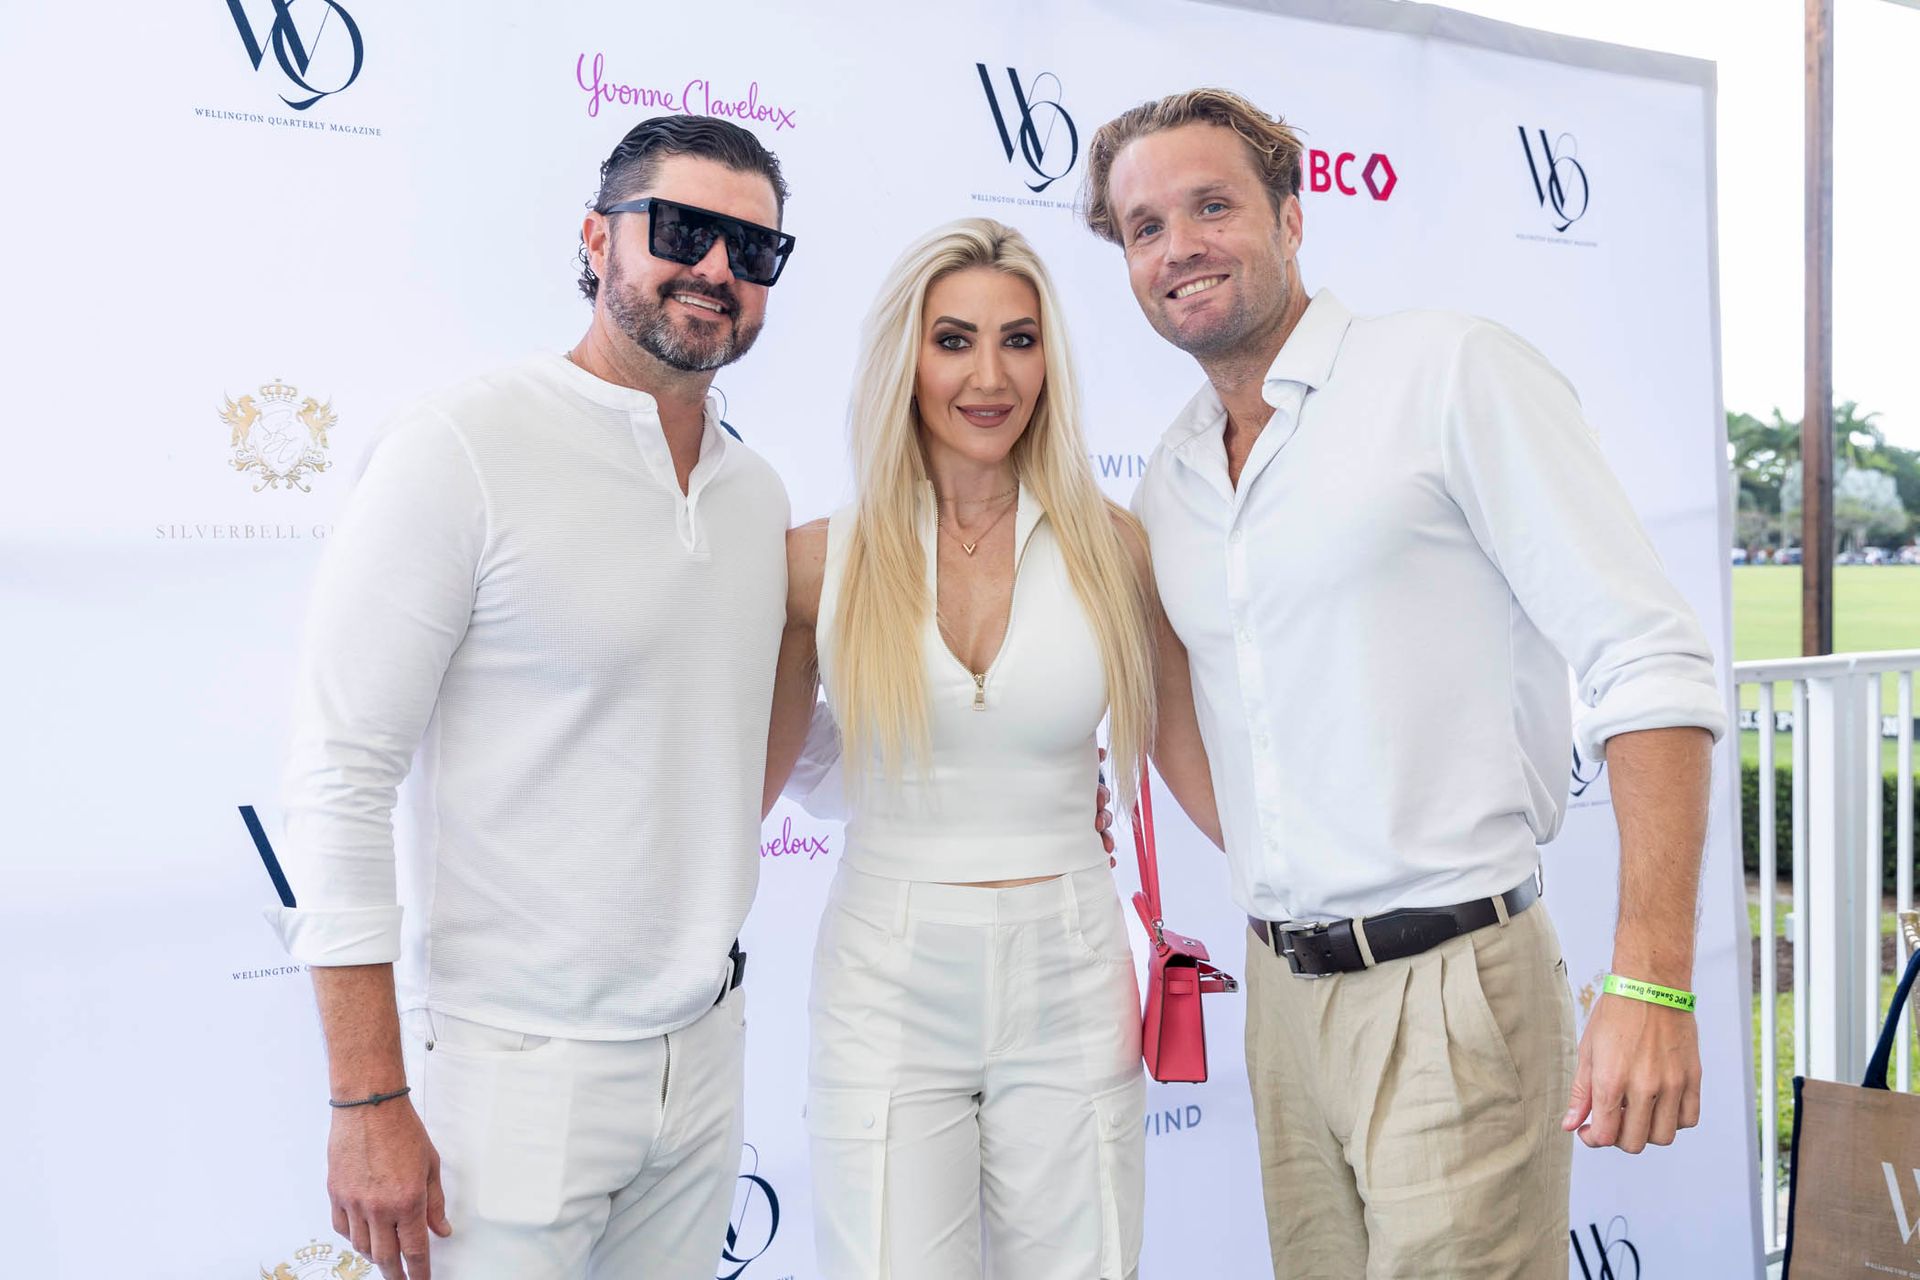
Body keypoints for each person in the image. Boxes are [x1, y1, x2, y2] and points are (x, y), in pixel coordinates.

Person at [1081, 89, 1728, 1278]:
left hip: (1452, 992)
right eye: (1143, 226)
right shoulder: (1171, 476)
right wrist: (1295, 861)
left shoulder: (1447, 371)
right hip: (1282, 998)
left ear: (1291, 212)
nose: (1179, 245)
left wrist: (1654, 979)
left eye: (1211, 204)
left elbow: (1650, 658)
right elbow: (1196, 715)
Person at [267, 115, 799, 1280]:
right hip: (509, 1075)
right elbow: (341, 775)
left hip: (706, 1054)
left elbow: (757, 743)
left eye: (754, 250)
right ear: (597, 238)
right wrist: (366, 1096)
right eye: (685, 230)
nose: (718, 269)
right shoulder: (462, 444)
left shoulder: (756, 490)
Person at [762, 218, 1220, 1279]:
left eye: (1019, 339)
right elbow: (762, 769)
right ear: (905, 359)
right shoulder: (817, 560)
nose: (989, 374)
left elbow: (1192, 755)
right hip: (886, 968)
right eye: (954, 339)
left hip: (1071, 960)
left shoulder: (1115, 545)